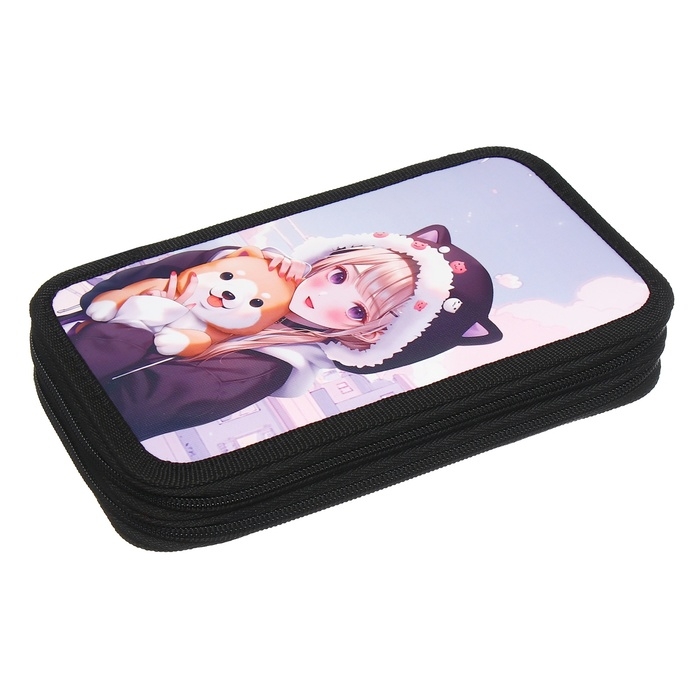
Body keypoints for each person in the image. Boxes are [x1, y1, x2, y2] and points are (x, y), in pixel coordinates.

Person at [65, 226, 502, 441]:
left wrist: (134, 322)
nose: (323, 295)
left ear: (370, 337)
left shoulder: (262, 367)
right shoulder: (258, 266)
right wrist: (231, 263)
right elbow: (109, 289)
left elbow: (115, 416)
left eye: (357, 310)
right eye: (339, 275)